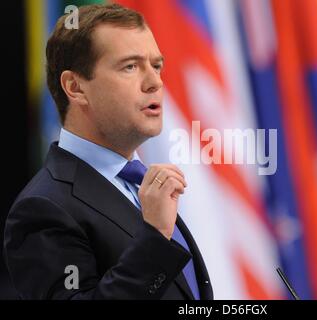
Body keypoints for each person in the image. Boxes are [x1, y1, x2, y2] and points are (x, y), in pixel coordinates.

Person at [3, 4, 213, 300]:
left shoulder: (143, 184)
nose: (155, 81)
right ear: (75, 87)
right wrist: (153, 238)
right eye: (130, 66)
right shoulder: (43, 208)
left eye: (156, 65)